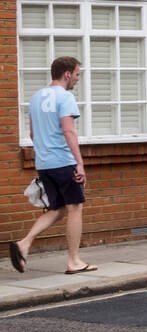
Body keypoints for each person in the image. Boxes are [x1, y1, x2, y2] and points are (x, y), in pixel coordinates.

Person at [9, 56, 95, 275]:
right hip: (64, 161)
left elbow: (32, 133)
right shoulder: (65, 97)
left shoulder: (36, 97)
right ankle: (74, 260)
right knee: (75, 208)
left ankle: (25, 243)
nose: (77, 78)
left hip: (44, 163)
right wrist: (80, 163)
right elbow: (68, 130)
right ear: (67, 74)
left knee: (57, 209)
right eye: (77, 74)